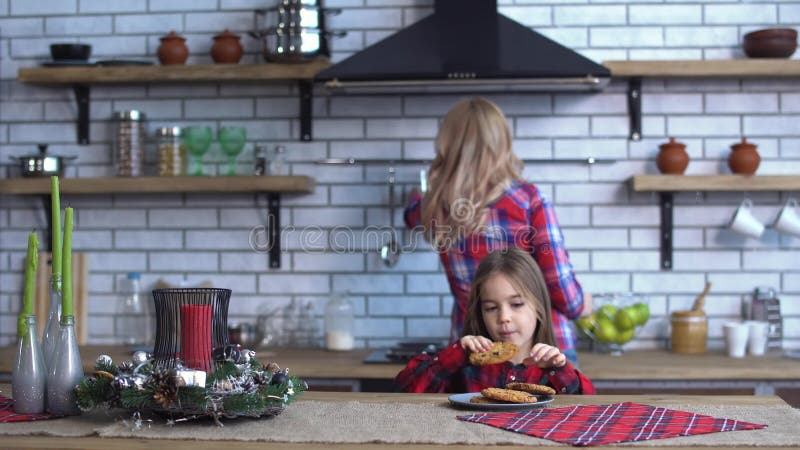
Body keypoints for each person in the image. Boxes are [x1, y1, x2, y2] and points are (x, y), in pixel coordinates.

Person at [404, 97, 591, 364]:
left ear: (447, 147)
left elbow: (410, 216)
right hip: (542, 349)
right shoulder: (529, 201)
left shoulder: (435, 207)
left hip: (475, 347)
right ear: (502, 143)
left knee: (476, 407)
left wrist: (418, 196)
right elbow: (558, 283)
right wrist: (582, 305)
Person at [395, 247, 595, 394]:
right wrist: (455, 355)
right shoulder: (464, 368)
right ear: (480, 311)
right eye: (491, 308)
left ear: (539, 307)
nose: (504, 318)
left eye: (516, 304)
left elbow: (588, 407)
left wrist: (559, 370)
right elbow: (404, 392)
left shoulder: (553, 373)